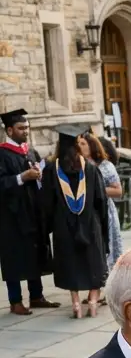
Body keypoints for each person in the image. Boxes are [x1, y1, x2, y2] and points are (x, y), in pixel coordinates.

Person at [42, 126, 109, 319]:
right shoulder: (90, 168)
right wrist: (103, 226)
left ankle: (76, 303)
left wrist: (47, 227)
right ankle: (94, 302)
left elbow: (45, 203)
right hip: (90, 223)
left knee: (70, 263)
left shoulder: (51, 170)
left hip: (63, 226)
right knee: (93, 263)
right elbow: (101, 201)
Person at [0, 109, 58, 314]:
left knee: (35, 251)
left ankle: (36, 295)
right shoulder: (2, 153)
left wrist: (39, 175)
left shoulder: (30, 151)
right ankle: (15, 300)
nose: (26, 131)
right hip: (11, 215)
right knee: (14, 255)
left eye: (27, 127)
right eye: (21, 128)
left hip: (33, 210)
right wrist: (21, 177)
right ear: (9, 130)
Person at [85, 133, 124, 271]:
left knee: (109, 250)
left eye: (84, 144)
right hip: (86, 213)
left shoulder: (105, 165)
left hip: (104, 211)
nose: (80, 147)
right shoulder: (78, 165)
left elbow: (118, 191)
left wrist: (97, 189)